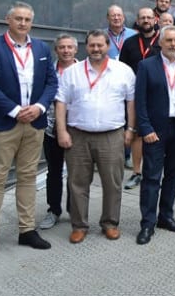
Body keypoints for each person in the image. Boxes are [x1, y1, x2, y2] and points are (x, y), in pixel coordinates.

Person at [0, 2, 57, 262]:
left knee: (27, 177)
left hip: (34, 123)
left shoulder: (42, 48)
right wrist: (14, 110)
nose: (23, 23)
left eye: (27, 19)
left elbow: (51, 82)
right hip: (5, 123)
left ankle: (26, 230)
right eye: (18, 19)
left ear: (31, 22)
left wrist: (39, 106)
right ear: (8, 20)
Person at [55, 29, 136, 244]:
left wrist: (131, 130)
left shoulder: (123, 70)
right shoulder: (72, 72)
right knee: (77, 183)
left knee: (113, 182)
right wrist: (62, 131)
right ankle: (79, 225)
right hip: (77, 135)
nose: (96, 49)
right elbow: (61, 102)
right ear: (86, 46)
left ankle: (110, 223)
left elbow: (131, 102)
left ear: (107, 46)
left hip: (112, 135)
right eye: (92, 45)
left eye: (100, 45)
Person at [134, 25, 175, 245]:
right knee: (152, 178)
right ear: (160, 42)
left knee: (172, 176)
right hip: (155, 131)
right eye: (169, 40)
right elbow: (140, 102)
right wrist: (146, 129)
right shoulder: (146, 66)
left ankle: (166, 216)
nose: (173, 44)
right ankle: (147, 223)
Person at [39, 34, 78, 231]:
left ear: (76, 50)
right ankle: (53, 210)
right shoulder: (47, 71)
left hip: (78, 130)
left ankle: (74, 210)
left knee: (76, 173)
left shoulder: (84, 71)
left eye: (70, 47)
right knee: (54, 172)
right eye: (62, 47)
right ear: (56, 50)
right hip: (51, 129)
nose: (66, 51)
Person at [120, 8, 162, 191]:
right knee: (137, 133)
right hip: (135, 94)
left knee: (158, 134)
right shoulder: (129, 43)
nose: (146, 20)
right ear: (137, 20)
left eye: (149, 17)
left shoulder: (163, 41)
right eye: (142, 17)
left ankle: (155, 174)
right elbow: (122, 69)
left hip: (159, 94)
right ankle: (137, 173)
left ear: (155, 20)